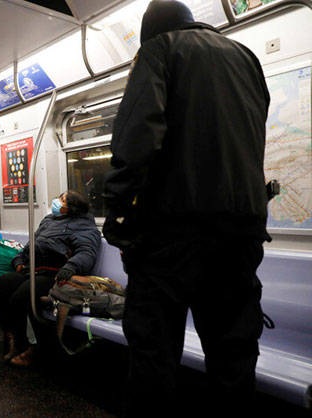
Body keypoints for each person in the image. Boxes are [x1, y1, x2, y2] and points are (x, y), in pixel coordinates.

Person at [102, 2, 271, 416]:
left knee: (153, 359)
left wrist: (119, 217)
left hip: (172, 238)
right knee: (233, 359)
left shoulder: (160, 51)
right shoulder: (246, 57)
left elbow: (137, 139)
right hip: (241, 235)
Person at [0, 191, 102, 366]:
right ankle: (12, 333)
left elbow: (86, 252)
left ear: (72, 207)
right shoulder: (49, 220)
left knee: (20, 298)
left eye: (62, 200)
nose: (57, 201)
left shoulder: (84, 226)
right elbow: (32, 244)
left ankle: (32, 349)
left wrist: (70, 267)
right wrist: (19, 259)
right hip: (31, 270)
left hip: (54, 275)